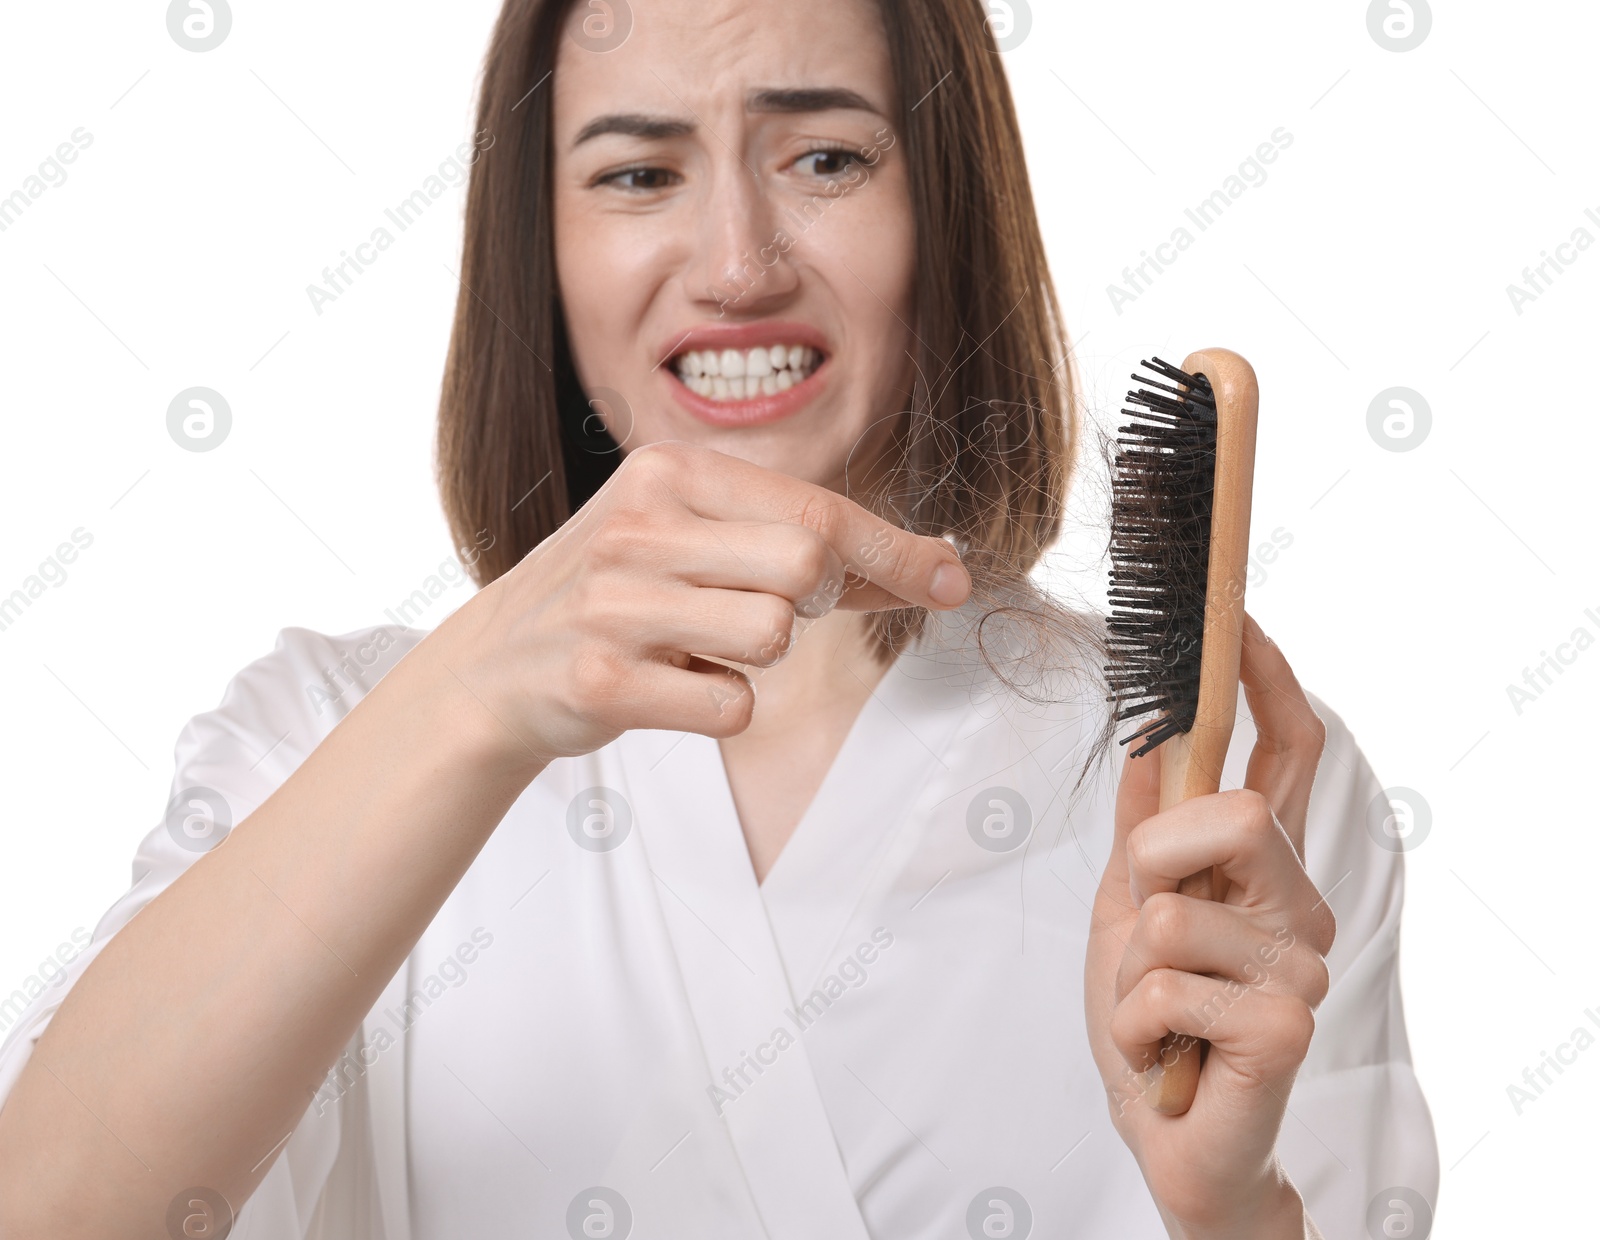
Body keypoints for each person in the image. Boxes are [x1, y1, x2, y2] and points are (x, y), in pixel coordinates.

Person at [0, 1, 1437, 1236]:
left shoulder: (1224, 801)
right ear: (540, 257)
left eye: (826, 157)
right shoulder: (330, 737)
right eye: (637, 173)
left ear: (945, 205)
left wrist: (1232, 1217)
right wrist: (469, 701)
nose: (740, 263)